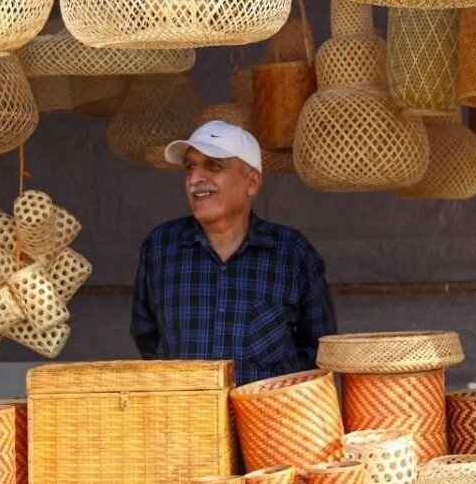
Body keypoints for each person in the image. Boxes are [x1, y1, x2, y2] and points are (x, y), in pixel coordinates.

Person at [130, 120, 337, 385]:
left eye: (213, 165)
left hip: (267, 421)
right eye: (190, 167)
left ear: (252, 182)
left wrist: (275, 393)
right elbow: (146, 336)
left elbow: (320, 351)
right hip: (187, 421)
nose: (195, 179)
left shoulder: (292, 254)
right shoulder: (160, 248)